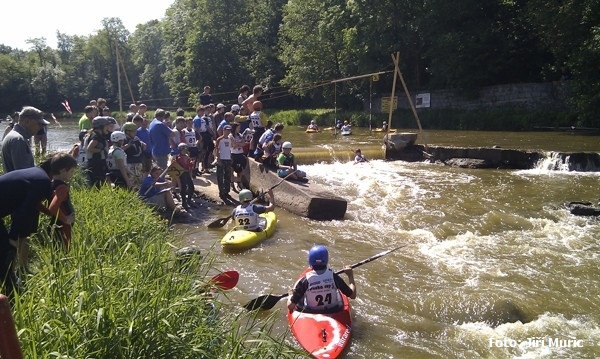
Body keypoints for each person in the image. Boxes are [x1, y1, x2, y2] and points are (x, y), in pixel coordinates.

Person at [0, 153, 77, 293]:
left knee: (4, 250)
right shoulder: (42, 181)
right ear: (61, 170)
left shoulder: (37, 175)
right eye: (71, 171)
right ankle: (12, 290)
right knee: (6, 250)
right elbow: (23, 210)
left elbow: (33, 202)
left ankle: (11, 285)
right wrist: (13, 236)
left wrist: (48, 212)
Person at [287, 245, 356, 313]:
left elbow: (290, 306)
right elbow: (352, 295)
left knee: (300, 297)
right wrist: (350, 275)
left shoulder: (305, 281)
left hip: (311, 311)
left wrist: (290, 295)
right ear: (326, 260)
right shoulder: (334, 277)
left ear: (310, 261)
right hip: (333, 310)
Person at [2, 106, 49, 172]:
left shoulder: (16, 136)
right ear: (27, 121)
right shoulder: (18, 140)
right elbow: (24, 174)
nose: (41, 127)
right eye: (39, 124)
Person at [46, 153, 78, 250]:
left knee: (57, 250)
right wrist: (66, 220)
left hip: (55, 223)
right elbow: (53, 207)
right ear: (63, 171)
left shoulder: (50, 183)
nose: (72, 174)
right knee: (65, 250)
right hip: (63, 225)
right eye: (72, 171)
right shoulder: (62, 188)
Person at [84, 116, 112, 188]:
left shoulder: (96, 135)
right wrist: (101, 150)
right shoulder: (96, 136)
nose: (108, 127)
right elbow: (89, 148)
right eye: (106, 126)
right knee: (98, 185)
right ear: (101, 126)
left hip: (97, 163)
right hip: (96, 164)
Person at [122, 122, 146, 189]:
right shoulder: (124, 140)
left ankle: (140, 195)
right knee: (132, 181)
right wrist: (127, 146)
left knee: (140, 181)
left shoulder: (136, 138)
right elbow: (120, 149)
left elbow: (141, 146)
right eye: (133, 131)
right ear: (127, 132)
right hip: (130, 163)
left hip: (138, 162)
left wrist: (143, 145)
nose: (135, 132)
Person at [174, 143, 197, 209]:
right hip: (182, 174)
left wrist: (191, 163)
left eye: (185, 149)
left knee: (191, 187)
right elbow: (181, 166)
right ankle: (184, 203)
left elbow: (189, 165)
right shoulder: (178, 157)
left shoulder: (187, 156)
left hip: (186, 173)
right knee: (183, 188)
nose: (185, 151)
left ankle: (188, 201)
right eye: (183, 150)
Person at [214, 124, 233, 202]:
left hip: (228, 159)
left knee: (227, 176)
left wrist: (231, 157)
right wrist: (218, 159)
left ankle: (226, 191)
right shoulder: (219, 139)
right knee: (220, 176)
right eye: (226, 130)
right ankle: (221, 192)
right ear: (223, 130)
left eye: (229, 130)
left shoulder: (230, 139)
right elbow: (216, 150)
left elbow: (230, 149)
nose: (228, 132)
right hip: (221, 159)